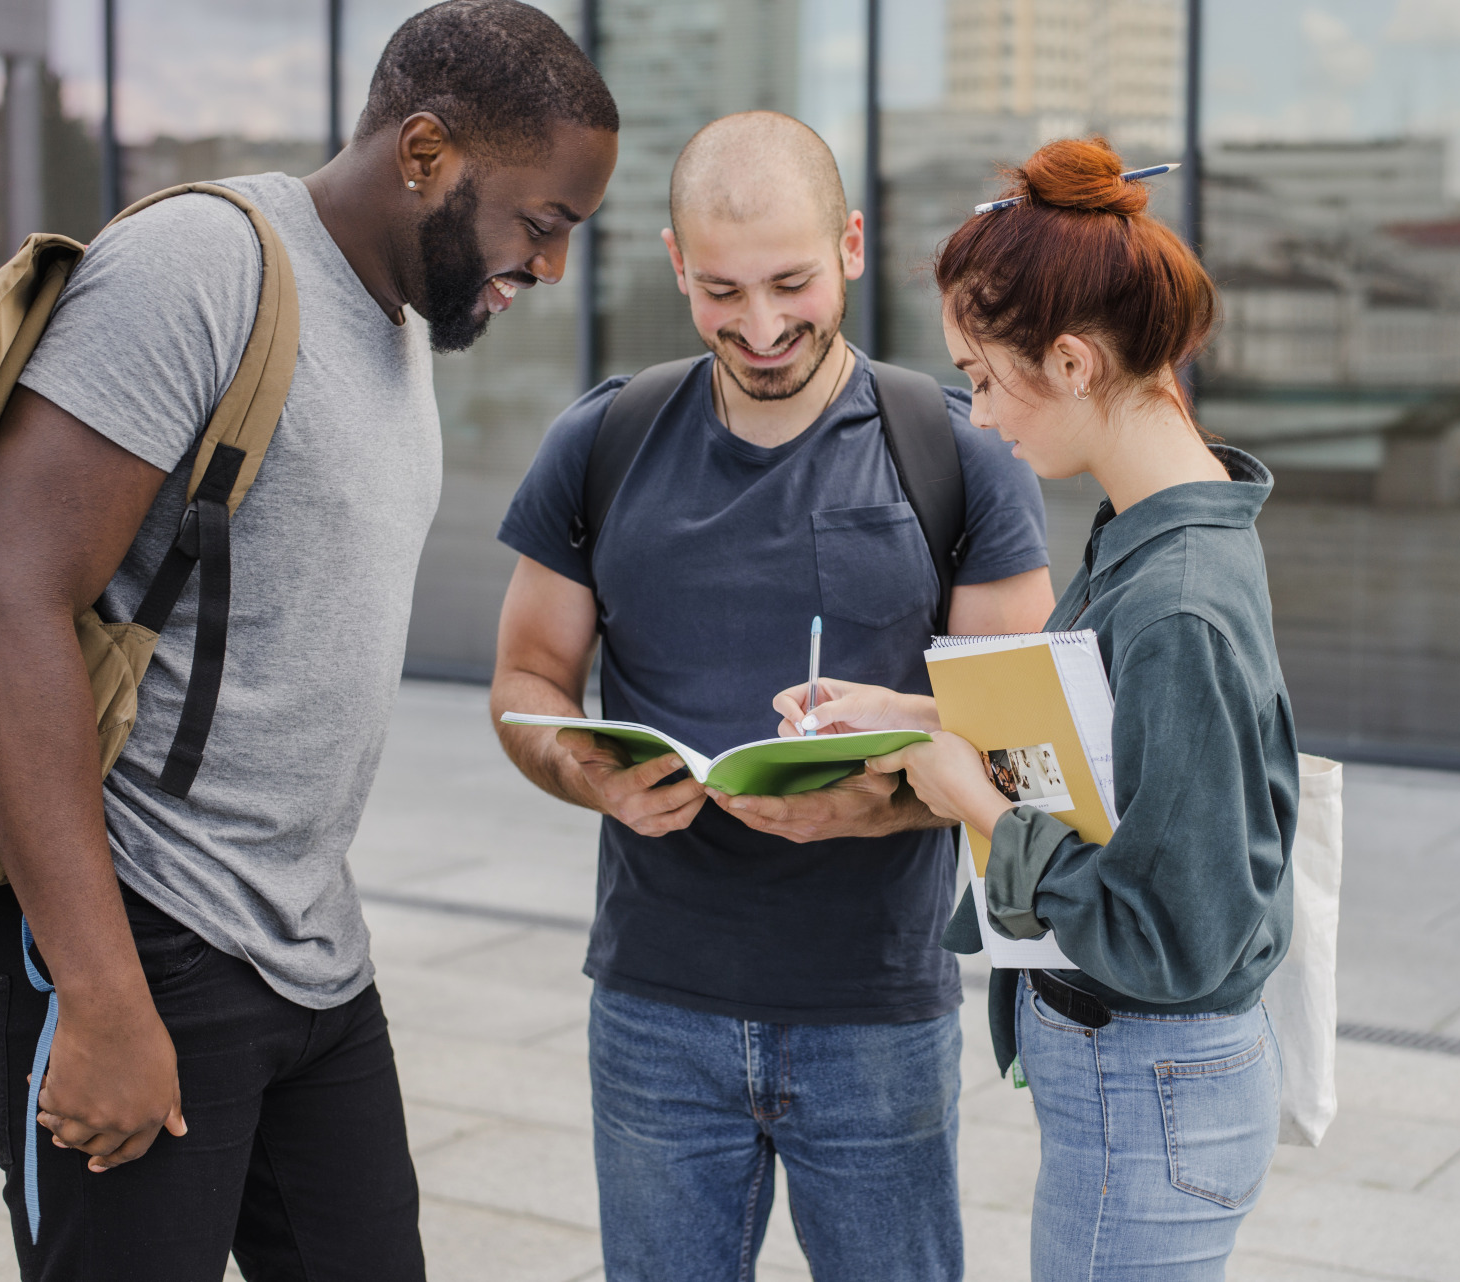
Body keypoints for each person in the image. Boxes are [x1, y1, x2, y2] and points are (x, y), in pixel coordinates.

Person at [0, 5, 617, 1279]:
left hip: (309, 950)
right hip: (141, 932)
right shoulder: (202, 268)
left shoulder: (396, 317)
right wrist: (99, 996)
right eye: (542, 224)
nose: (555, 269)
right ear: (426, 155)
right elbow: (8, 601)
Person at [491, 111, 1055, 1281]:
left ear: (851, 245)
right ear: (675, 268)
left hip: (876, 1017)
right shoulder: (601, 440)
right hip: (653, 1009)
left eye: (792, 282)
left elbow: (1024, 748)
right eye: (721, 291)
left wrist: (881, 807)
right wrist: (576, 769)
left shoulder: (962, 455)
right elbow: (526, 680)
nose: (760, 327)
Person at [775, 137, 1298, 1279]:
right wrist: (916, 718)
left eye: (983, 376)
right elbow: (1113, 762)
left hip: (1152, 1074)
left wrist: (983, 806)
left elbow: (1181, 932)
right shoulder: (1162, 527)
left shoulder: (1177, 601)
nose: (978, 415)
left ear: (1069, 360)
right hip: (1150, 1080)